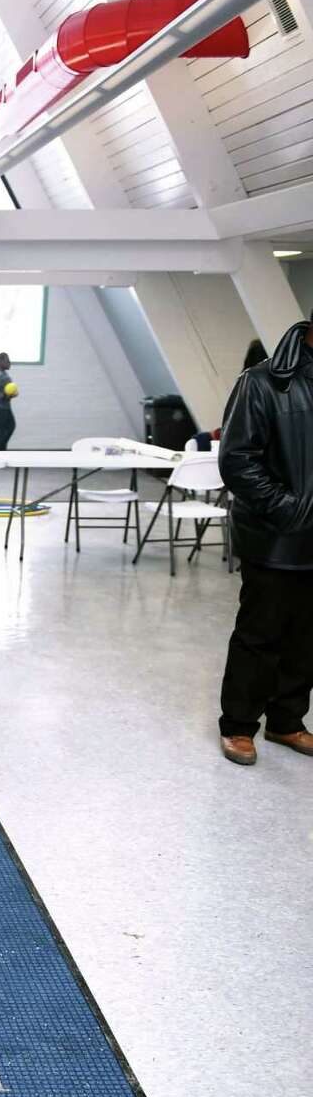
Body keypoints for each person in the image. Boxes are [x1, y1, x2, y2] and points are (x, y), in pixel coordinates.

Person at [217, 319, 313, 765]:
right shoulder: (261, 383)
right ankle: (238, 725)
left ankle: (287, 721)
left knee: (307, 637)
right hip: (276, 536)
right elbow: (237, 460)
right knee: (262, 632)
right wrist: (290, 509)